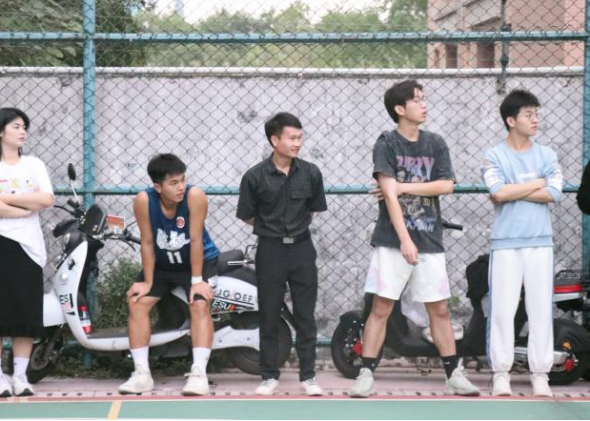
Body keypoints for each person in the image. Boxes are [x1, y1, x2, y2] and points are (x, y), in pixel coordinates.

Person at [349, 80, 480, 398]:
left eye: (424, 99)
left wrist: (403, 186)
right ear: (399, 109)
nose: (424, 105)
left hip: (430, 239)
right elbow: (389, 196)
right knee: (381, 307)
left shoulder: (435, 143)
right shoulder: (387, 143)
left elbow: (446, 185)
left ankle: (453, 375)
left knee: (439, 310)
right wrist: (405, 239)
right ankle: (366, 374)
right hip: (392, 241)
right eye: (417, 100)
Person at [237, 112, 328, 396]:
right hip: (270, 250)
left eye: (300, 137)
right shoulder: (254, 176)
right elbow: (247, 214)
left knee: (305, 315)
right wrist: (272, 228)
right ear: (274, 140)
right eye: (292, 138)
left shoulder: (311, 173)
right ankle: (268, 376)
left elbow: (313, 209)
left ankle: (308, 377)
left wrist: (294, 228)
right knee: (269, 314)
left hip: (302, 249)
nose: (297, 143)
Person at [481, 90, 563, 397]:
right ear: (511, 120)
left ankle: (540, 374)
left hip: (540, 242)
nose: (535, 119)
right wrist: (536, 183)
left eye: (536, 114)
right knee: (502, 310)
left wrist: (515, 188)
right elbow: (498, 192)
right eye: (529, 115)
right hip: (505, 243)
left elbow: (553, 193)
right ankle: (500, 374)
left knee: (540, 309)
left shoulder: (547, 155)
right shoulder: (494, 155)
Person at [118, 154, 220, 396]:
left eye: (183, 180)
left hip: (197, 261)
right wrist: (148, 281)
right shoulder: (144, 201)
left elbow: (195, 239)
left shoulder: (195, 196)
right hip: (163, 265)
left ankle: (199, 374)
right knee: (137, 302)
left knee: (199, 303)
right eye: (174, 183)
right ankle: (142, 374)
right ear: (158, 187)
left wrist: (197, 281)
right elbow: (147, 241)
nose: (181, 187)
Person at [0, 108, 54, 398]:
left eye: (24, 127)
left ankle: (20, 376)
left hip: (28, 246)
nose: (22, 132)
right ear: (0, 131)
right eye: (16, 126)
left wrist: (4, 198)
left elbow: (46, 198)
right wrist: (22, 209)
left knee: (25, 313)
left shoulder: (34, 164)